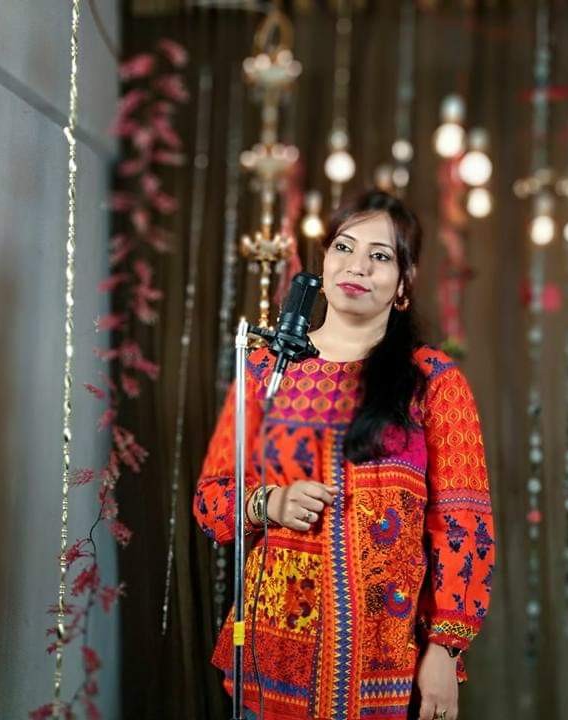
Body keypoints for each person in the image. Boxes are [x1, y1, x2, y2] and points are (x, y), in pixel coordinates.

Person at [193, 190, 495, 720]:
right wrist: (270, 502)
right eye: (343, 247)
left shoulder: (432, 380)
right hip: (274, 656)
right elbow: (211, 499)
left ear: (403, 284)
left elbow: (464, 522)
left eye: (380, 255)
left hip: (389, 663)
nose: (357, 266)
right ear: (324, 261)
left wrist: (446, 650)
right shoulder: (266, 370)